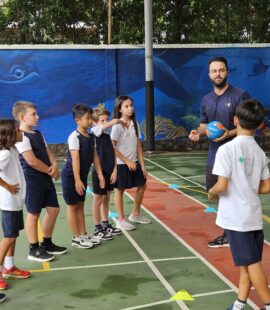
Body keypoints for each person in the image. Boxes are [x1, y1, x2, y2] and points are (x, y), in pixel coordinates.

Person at [208, 99, 270, 310]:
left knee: (252, 265)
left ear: (235, 120)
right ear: (260, 125)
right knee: (247, 264)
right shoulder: (261, 153)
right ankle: (239, 305)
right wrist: (247, 186)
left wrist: (212, 192)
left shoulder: (226, 150)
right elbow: (266, 187)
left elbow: (221, 185)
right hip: (253, 216)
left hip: (237, 219)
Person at [189, 56, 250, 248]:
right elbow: (204, 125)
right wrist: (197, 132)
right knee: (216, 193)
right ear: (209, 74)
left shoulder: (240, 95)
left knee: (234, 194)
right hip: (215, 156)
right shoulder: (206, 100)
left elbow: (247, 125)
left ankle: (232, 234)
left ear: (227, 72)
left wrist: (227, 134)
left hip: (236, 155)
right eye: (214, 71)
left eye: (221, 70)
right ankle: (231, 231)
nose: (218, 74)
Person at [13, 101, 67, 262]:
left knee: (54, 210)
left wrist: (55, 165)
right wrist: (51, 172)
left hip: (45, 178)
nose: (38, 116)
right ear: (22, 116)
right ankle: (33, 249)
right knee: (33, 214)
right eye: (33, 114)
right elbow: (32, 161)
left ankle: (47, 243)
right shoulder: (20, 137)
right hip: (32, 180)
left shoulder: (38, 134)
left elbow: (48, 152)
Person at [61, 104, 104, 248]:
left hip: (82, 176)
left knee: (80, 205)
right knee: (73, 206)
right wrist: (77, 180)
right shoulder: (74, 137)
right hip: (71, 176)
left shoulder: (91, 136)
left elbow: (94, 156)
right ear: (77, 120)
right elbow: (75, 159)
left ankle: (83, 233)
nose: (90, 121)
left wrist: (99, 174)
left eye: (91, 118)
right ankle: (76, 237)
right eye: (87, 118)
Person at [111, 95, 151, 231]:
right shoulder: (117, 126)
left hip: (134, 162)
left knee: (142, 185)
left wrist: (143, 166)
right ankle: (121, 220)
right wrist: (127, 161)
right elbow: (112, 147)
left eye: (131, 106)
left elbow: (138, 146)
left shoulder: (135, 123)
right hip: (122, 164)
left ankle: (135, 214)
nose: (130, 108)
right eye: (126, 106)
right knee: (120, 190)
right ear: (120, 109)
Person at [0, 120, 30, 293]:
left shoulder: (12, 150)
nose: (21, 133)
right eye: (18, 131)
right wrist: (8, 186)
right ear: (10, 135)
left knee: (13, 235)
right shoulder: (4, 154)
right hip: (9, 202)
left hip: (15, 201)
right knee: (9, 237)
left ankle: (9, 267)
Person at [91, 106, 125, 240]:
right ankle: (97, 227)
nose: (105, 122)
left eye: (107, 119)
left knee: (106, 198)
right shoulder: (95, 132)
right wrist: (114, 122)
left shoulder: (107, 137)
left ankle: (105, 224)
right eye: (102, 120)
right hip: (99, 173)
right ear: (94, 122)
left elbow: (112, 154)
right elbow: (101, 128)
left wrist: (115, 170)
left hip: (110, 171)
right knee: (98, 199)